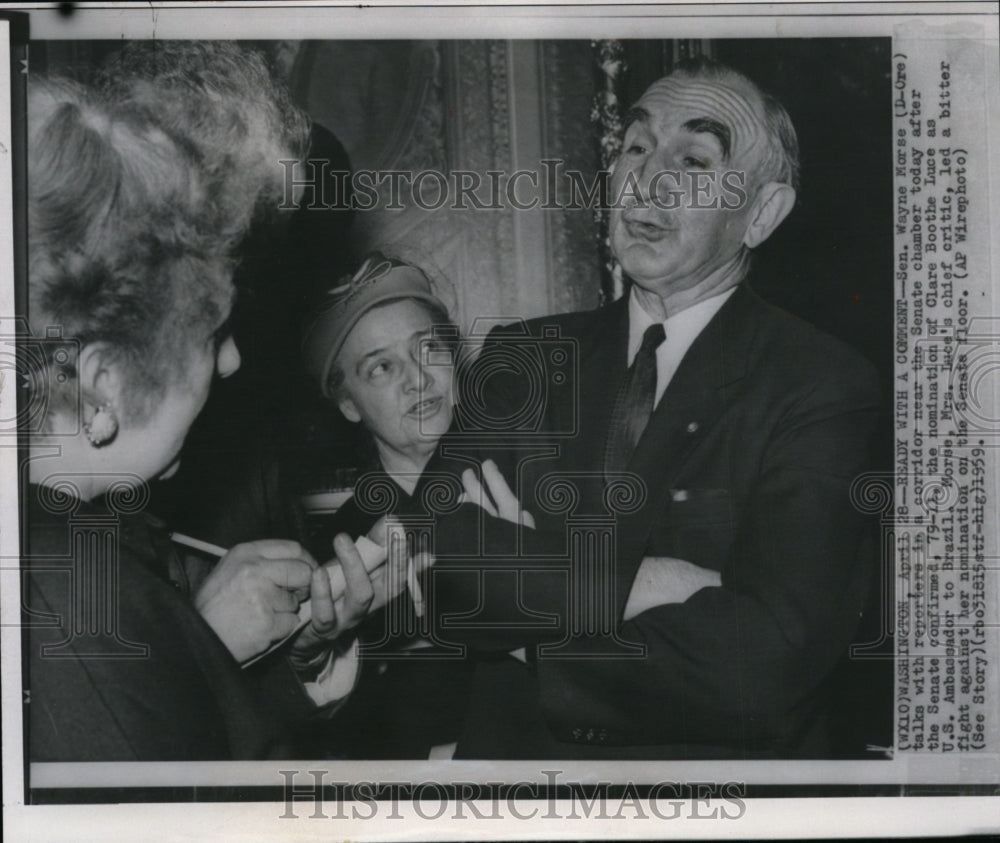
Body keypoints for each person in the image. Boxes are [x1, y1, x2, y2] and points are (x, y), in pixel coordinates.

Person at [427, 56, 883, 758]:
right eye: (636, 146)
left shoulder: (822, 385)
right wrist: (646, 582)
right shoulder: (523, 358)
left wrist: (530, 601)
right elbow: (437, 569)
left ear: (761, 213)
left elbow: (763, 663)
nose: (646, 177)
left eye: (694, 159)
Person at [22, 74, 403, 761]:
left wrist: (203, 643)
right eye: (208, 335)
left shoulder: (68, 556)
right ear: (102, 384)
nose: (229, 363)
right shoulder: (75, 605)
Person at [300, 253, 475, 758]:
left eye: (429, 348)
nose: (418, 379)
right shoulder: (333, 554)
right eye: (381, 367)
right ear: (349, 404)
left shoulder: (530, 491)